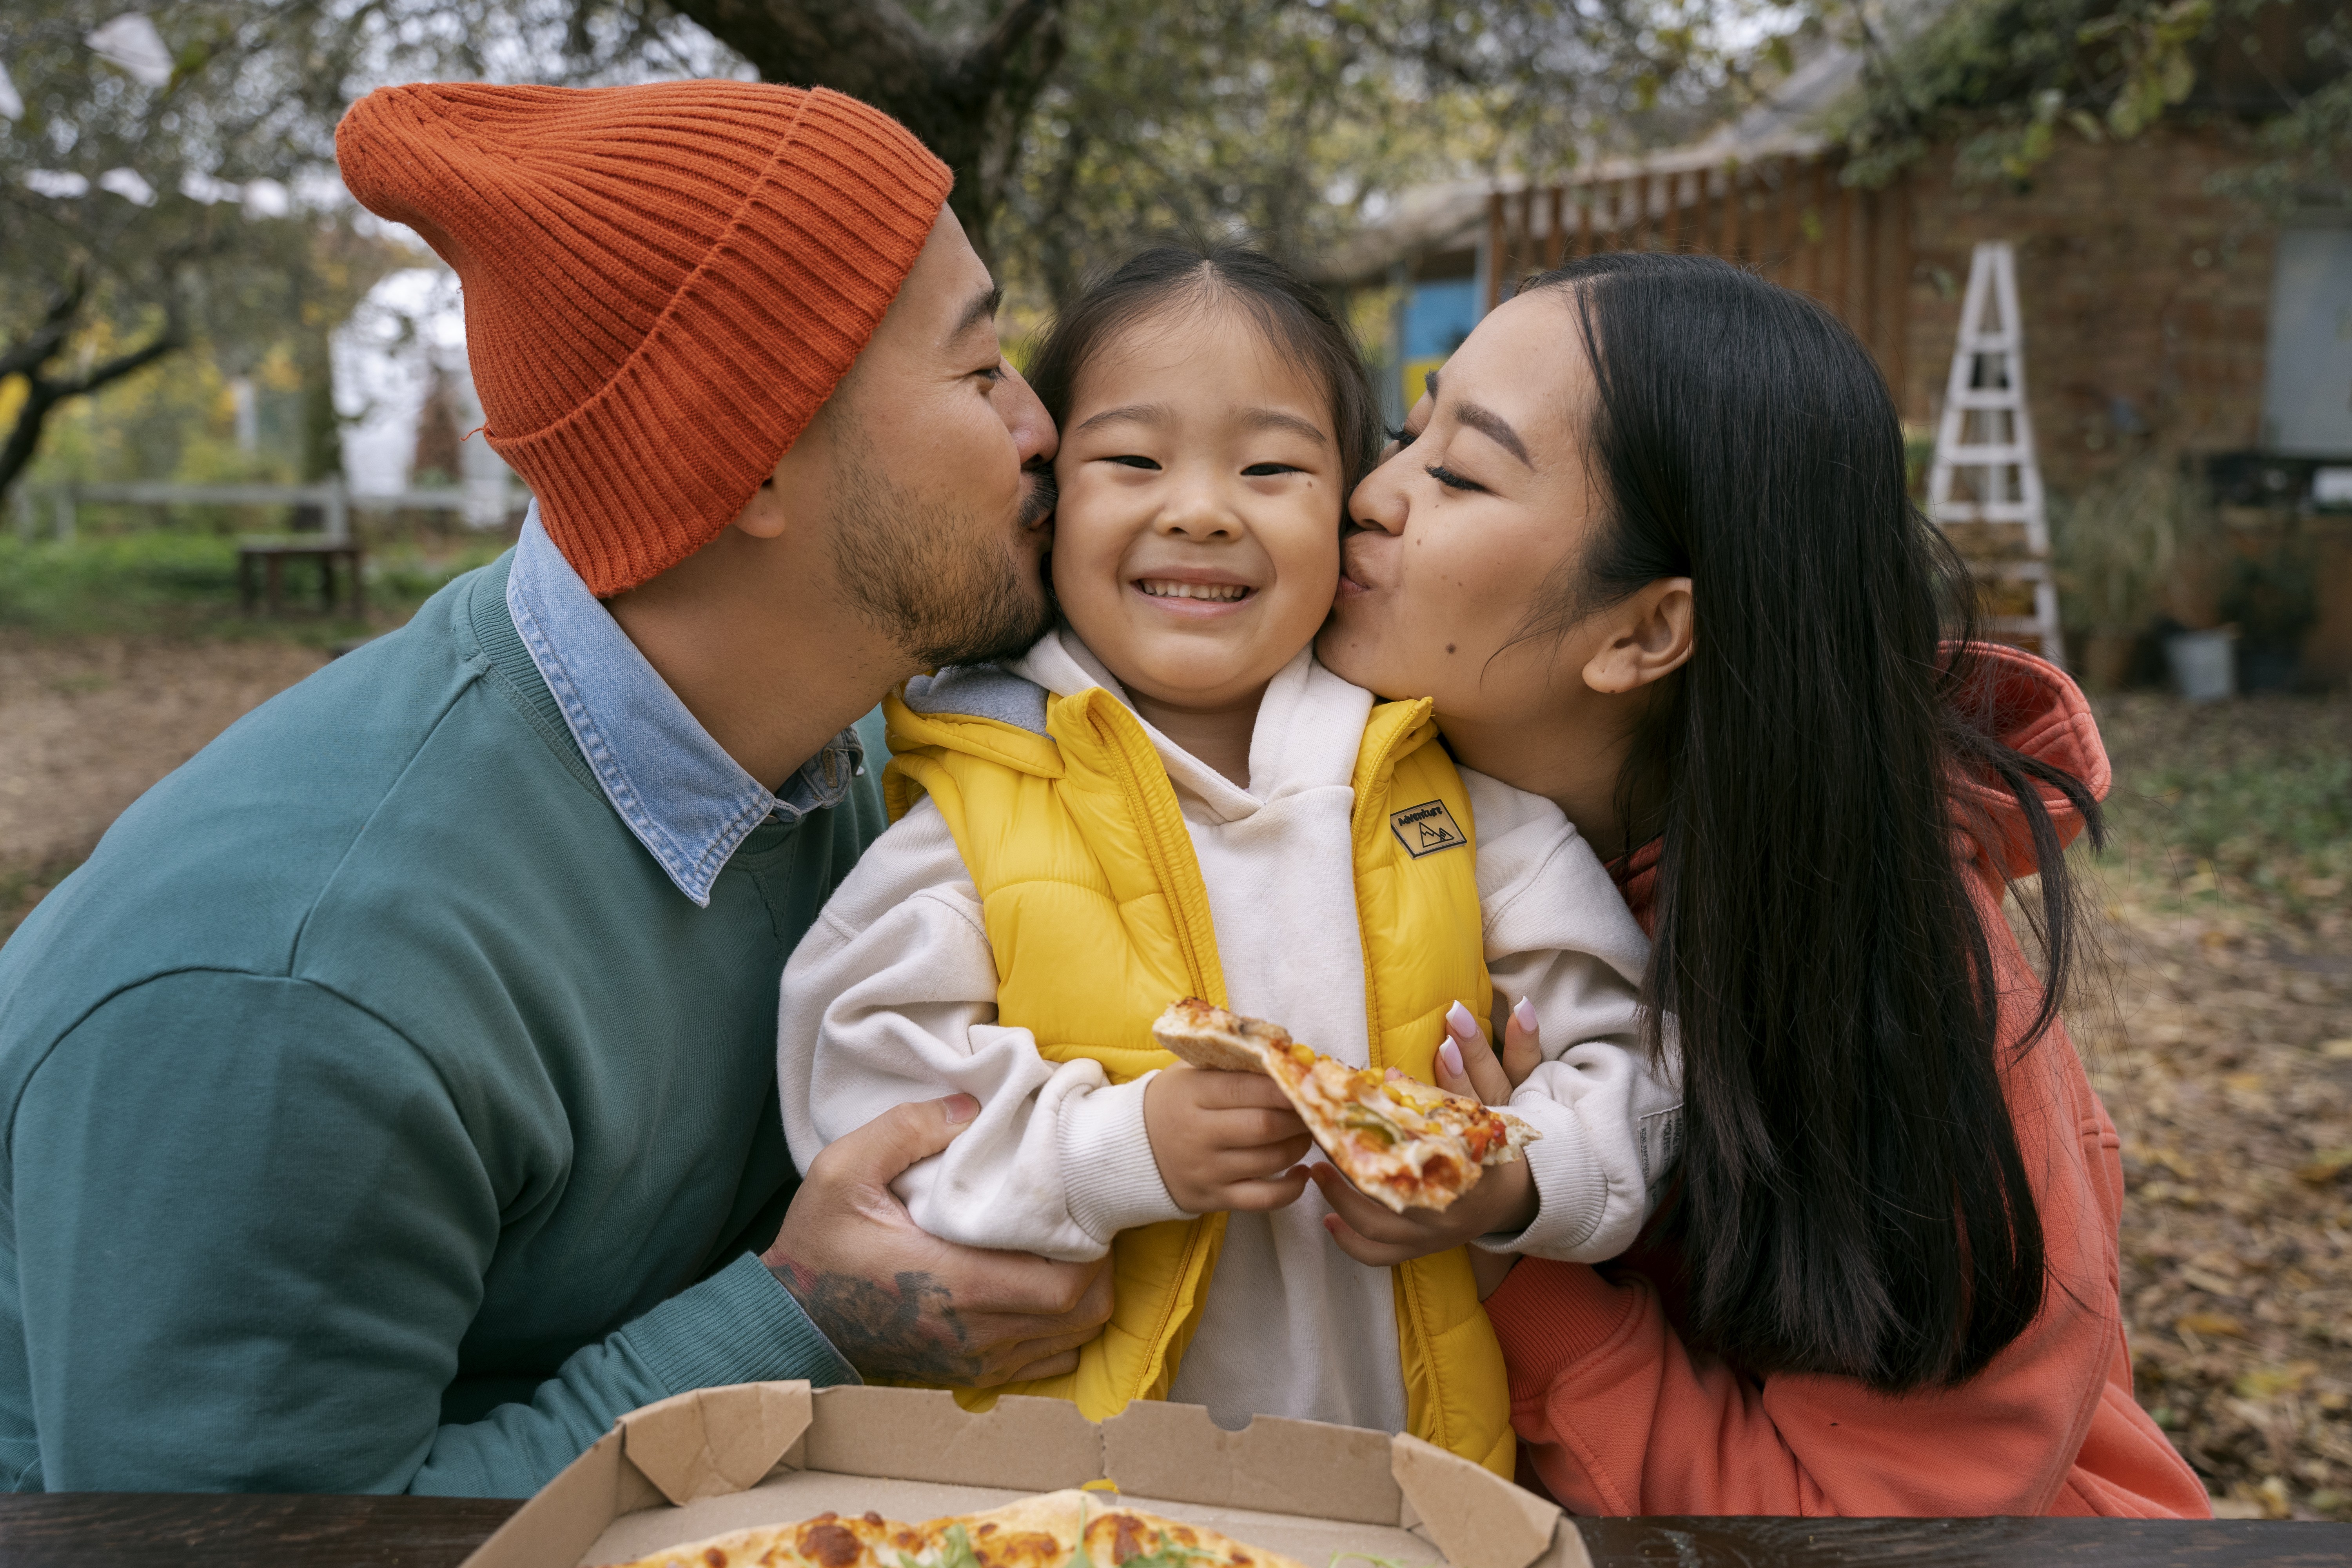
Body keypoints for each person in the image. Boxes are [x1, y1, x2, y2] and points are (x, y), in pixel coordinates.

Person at [0, 81, 1113, 1496]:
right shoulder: (305, 987)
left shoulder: (878, 755)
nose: (1045, 432)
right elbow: (263, 1549)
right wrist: (807, 1330)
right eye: (980, 371)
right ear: (753, 455)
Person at [1312, 250, 2210, 1516]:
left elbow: (1874, 1521)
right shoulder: (1360, 815)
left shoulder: (1895, 990)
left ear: (1645, 633)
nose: (1370, 496)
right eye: (1406, 437)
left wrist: (1503, 1255)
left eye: (1459, 472)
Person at [776, 243, 1679, 1477]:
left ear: (1349, 508)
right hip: (1081, 1496)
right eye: (1134, 461)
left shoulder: (1446, 793)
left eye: (1271, 468)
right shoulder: (978, 805)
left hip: (1409, 1485)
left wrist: (1515, 1180)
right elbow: (872, 1124)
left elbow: (1634, 1060)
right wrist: (1119, 1148)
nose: (1201, 509)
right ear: (1049, 501)